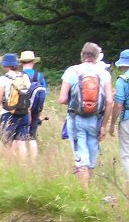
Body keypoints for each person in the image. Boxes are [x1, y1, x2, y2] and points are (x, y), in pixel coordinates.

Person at [58, 42, 114, 189]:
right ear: (96, 57)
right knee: (91, 156)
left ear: (82, 55)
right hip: (96, 120)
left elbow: (62, 98)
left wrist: (77, 103)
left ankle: (85, 194)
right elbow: (109, 101)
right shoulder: (104, 74)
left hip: (76, 119)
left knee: (81, 157)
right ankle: (89, 188)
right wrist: (104, 126)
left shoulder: (72, 71)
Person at [0, 53, 30, 159]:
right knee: (21, 142)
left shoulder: (3, 79)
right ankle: (23, 165)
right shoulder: (25, 77)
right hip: (24, 113)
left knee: (6, 142)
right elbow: (28, 96)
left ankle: (9, 164)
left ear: (6, 65)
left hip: (8, 114)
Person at [20, 51, 47, 158]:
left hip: (22, 109)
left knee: (20, 137)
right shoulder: (40, 76)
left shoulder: (20, 76)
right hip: (36, 109)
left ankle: (22, 161)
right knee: (32, 136)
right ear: (33, 62)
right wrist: (40, 112)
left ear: (21, 62)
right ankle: (33, 160)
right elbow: (44, 95)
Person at [109, 49, 129, 181]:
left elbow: (118, 105)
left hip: (127, 119)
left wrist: (112, 124)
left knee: (126, 154)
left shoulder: (122, 81)